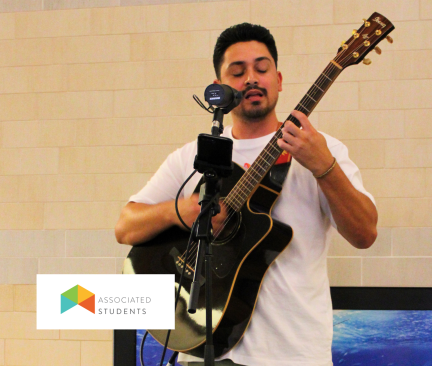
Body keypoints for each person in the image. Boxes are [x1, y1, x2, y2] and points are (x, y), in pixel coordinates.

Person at [115, 23, 378, 366]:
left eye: (262, 68)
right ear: (219, 87)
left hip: (294, 356)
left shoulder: (322, 150)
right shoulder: (195, 156)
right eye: (238, 72)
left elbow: (365, 234)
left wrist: (323, 166)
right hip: (201, 353)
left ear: (279, 80)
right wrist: (184, 210)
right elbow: (125, 227)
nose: (251, 78)